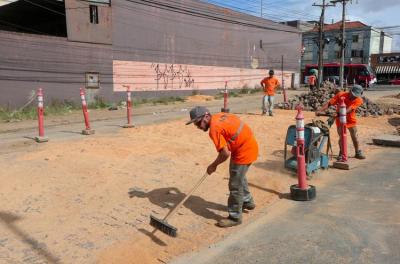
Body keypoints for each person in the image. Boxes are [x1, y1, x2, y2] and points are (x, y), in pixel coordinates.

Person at [186, 106, 259, 228]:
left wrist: (213, 165)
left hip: (244, 150)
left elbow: (225, 153)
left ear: (206, 116)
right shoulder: (219, 116)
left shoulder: (214, 129)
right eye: (195, 124)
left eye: (198, 123)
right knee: (238, 176)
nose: (198, 127)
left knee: (235, 184)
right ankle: (247, 201)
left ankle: (235, 217)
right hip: (247, 144)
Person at [316, 84, 366, 160]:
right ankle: (341, 153)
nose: (353, 97)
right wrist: (320, 110)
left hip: (350, 120)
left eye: (356, 96)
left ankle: (357, 152)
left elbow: (350, 109)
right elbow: (330, 103)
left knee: (355, 137)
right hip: (340, 120)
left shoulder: (359, 100)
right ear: (350, 91)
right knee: (341, 137)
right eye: (353, 95)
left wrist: (339, 113)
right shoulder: (340, 95)